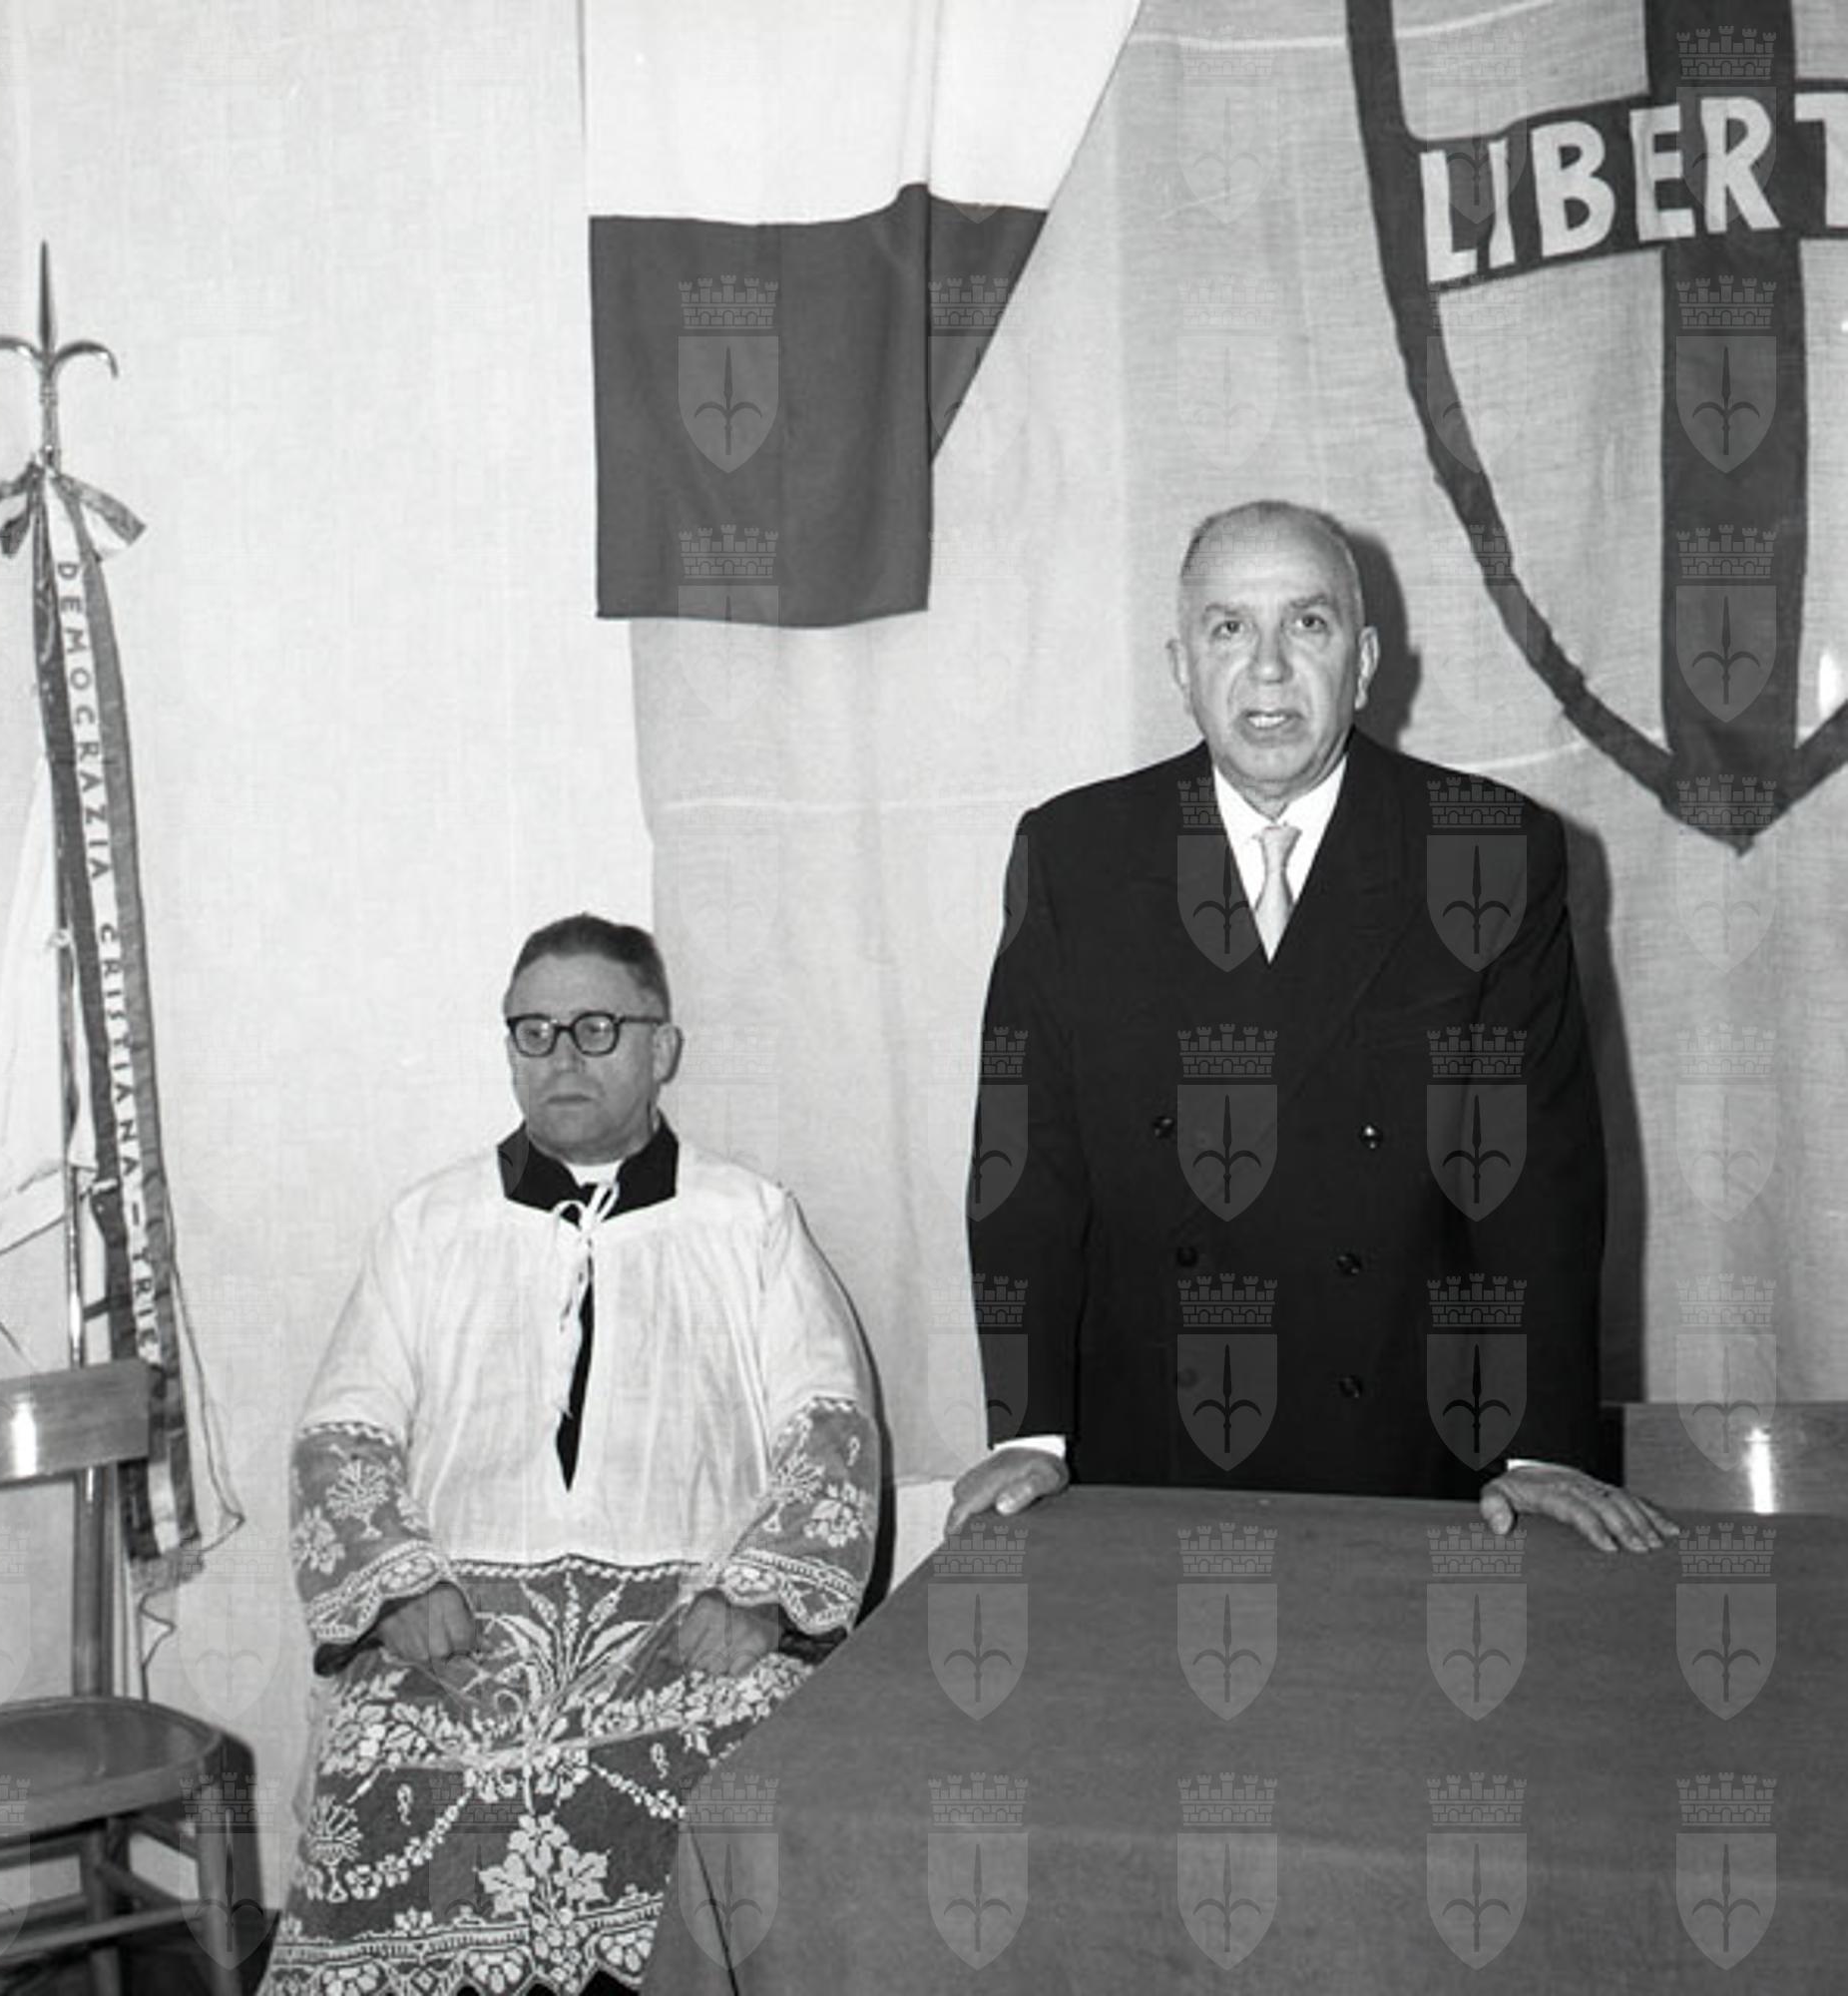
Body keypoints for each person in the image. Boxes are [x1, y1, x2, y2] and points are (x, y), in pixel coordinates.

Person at [947, 501, 1676, 1555]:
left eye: (1308, 623)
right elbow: (1024, 1168)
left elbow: (1536, 1184)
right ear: (1180, 666)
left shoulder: (1489, 851)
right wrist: (1029, 1430)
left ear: (1364, 660)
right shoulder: (1074, 853)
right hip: (1146, 1452)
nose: (1268, 669)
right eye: (1228, 628)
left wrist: (1540, 1448)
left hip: (1403, 1451)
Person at [263, 916, 878, 1996]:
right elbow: (340, 1428)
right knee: (375, 1762)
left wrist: (757, 1598)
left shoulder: (748, 1219)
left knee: (752, 1774)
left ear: (662, 1047)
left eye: (597, 1027)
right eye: (533, 1030)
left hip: (691, 1618)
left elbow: (830, 1426)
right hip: (458, 1620)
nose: (561, 1057)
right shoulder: (428, 1222)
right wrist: (398, 1585)